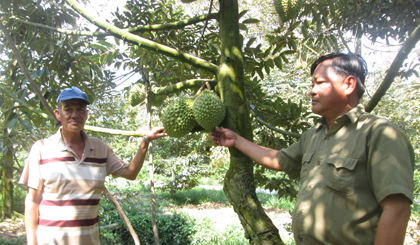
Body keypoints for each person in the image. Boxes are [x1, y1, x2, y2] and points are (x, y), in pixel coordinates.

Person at [211, 53, 414, 244]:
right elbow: (279, 159)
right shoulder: (314, 135)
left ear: (349, 84)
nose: (312, 90)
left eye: (320, 83)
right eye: (312, 84)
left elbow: (396, 209)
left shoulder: (380, 133)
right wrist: (236, 140)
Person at [19, 86, 167, 245]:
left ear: (86, 114)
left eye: (80, 110)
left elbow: (130, 173)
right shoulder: (41, 149)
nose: (74, 115)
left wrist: (145, 140)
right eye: (68, 109)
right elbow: (32, 201)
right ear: (58, 114)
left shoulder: (100, 149)